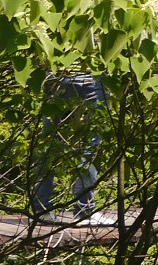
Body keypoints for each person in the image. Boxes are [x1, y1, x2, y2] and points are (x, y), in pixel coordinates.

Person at [30, 71, 112, 224]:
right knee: (90, 144)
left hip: (56, 75)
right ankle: (84, 212)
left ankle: (41, 210)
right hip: (91, 77)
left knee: (50, 143)